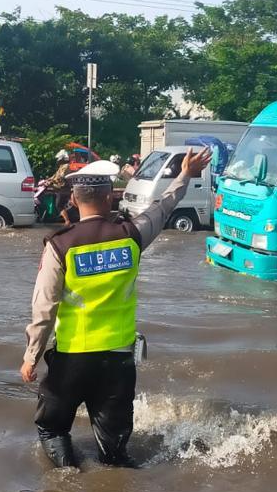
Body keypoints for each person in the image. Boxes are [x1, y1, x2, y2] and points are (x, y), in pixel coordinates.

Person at [21, 148, 212, 468]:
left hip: (72, 359)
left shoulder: (60, 244)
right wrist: (185, 174)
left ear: (74, 197)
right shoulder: (132, 235)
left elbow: (45, 308)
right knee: (115, 449)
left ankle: (68, 484)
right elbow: (163, 207)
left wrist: (31, 358)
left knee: (52, 429)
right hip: (119, 361)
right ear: (109, 195)